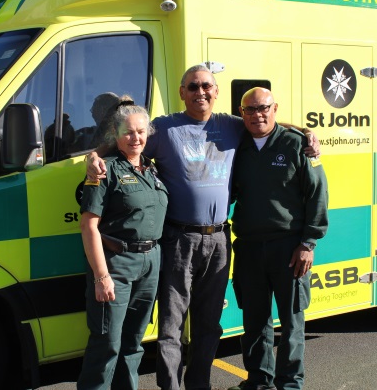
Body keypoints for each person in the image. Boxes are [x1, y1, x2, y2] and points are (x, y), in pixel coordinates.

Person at [86, 65, 320, 390]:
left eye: (206, 86)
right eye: (193, 87)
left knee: (209, 325)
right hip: (179, 239)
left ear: (216, 91)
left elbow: (266, 122)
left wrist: (307, 132)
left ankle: (200, 385)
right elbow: (127, 139)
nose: (200, 92)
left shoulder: (232, 125)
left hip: (220, 240)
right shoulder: (165, 128)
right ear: (182, 92)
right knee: (172, 326)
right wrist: (92, 157)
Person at [228, 87, 329, 390]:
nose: (257, 114)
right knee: (254, 322)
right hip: (249, 248)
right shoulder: (238, 145)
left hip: (289, 248)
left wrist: (308, 244)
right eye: (250, 109)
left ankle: (290, 385)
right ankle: (259, 382)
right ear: (241, 113)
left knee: (292, 323)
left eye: (263, 108)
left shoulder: (298, 145)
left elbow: (317, 196)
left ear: (275, 109)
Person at [77, 102, 168, 390]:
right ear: (115, 135)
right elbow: (89, 226)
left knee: (133, 344)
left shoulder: (153, 169)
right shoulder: (104, 170)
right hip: (116, 263)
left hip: (150, 262)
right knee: (107, 345)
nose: (136, 138)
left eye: (141, 132)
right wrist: (102, 277)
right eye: (128, 133)